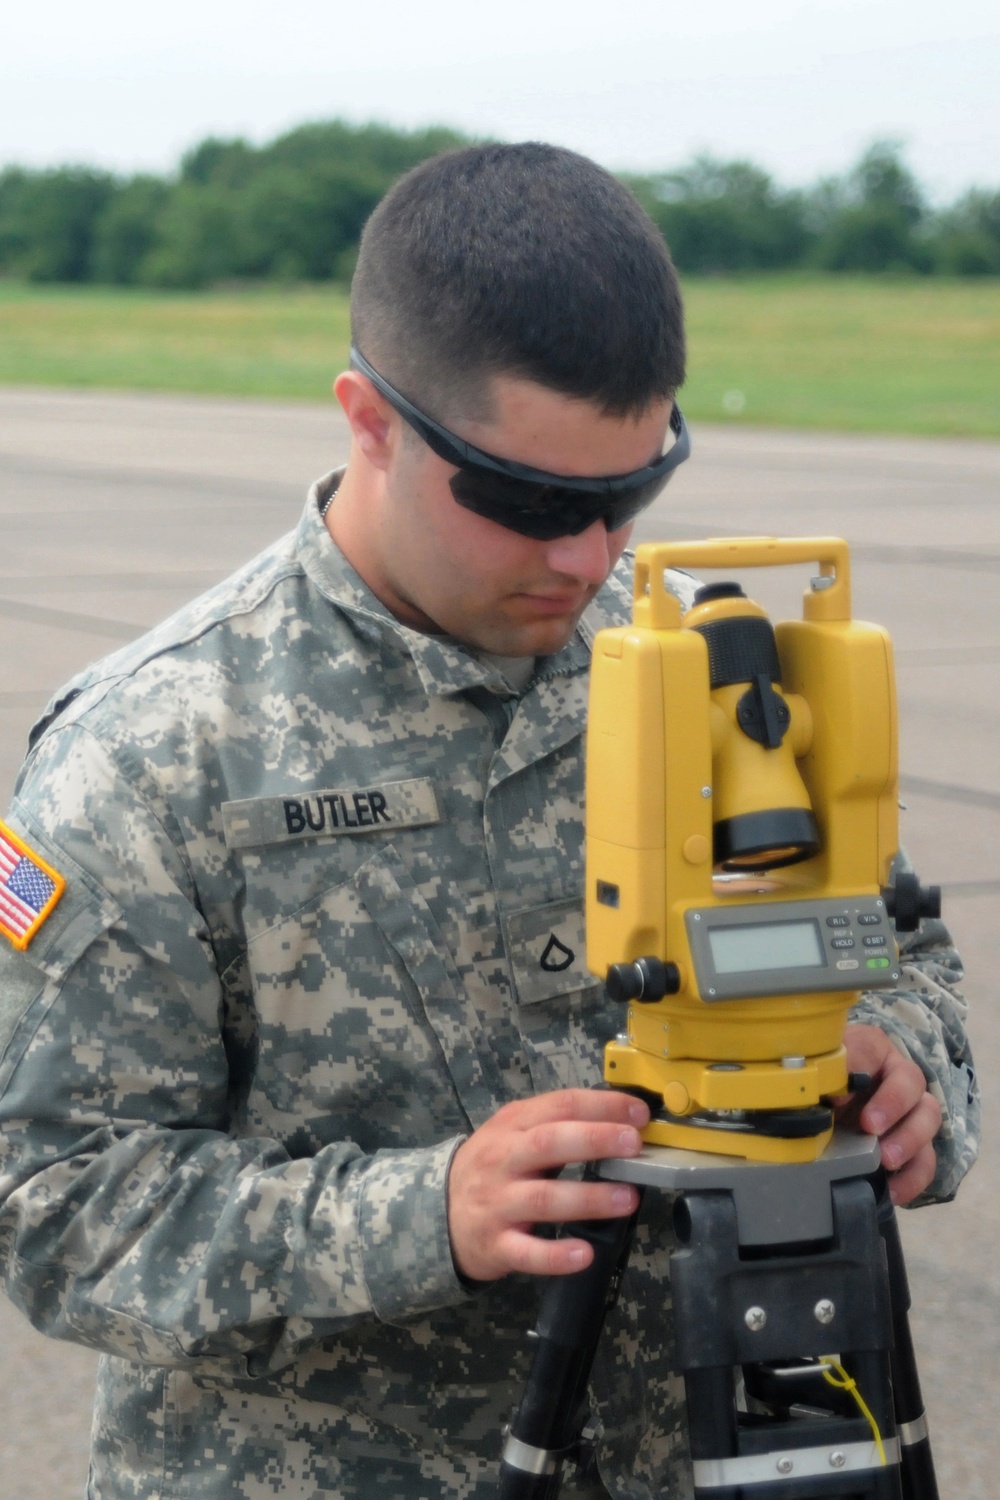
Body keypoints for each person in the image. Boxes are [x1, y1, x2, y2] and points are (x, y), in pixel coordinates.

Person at [0, 143, 978, 1500]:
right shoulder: (154, 753)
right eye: (527, 500)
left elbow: (903, 954)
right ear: (371, 419)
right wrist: (427, 1214)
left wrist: (914, 1074)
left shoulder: (715, 668)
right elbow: (58, 1212)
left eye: (627, 493)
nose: (586, 557)